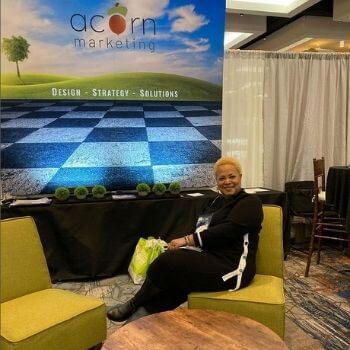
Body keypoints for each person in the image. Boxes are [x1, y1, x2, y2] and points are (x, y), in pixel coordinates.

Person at [107, 156, 263, 323]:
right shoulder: (216, 202)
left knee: (167, 262)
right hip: (211, 258)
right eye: (222, 178)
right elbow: (201, 227)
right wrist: (185, 247)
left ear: (240, 176)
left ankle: (133, 304)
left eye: (232, 176)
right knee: (178, 278)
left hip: (233, 268)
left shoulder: (250, 202)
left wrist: (187, 241)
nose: (227, 181)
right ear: (216, 181)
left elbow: (227, 230)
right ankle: (141, 316)